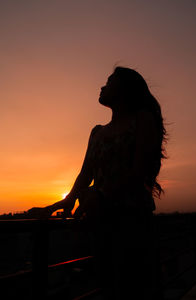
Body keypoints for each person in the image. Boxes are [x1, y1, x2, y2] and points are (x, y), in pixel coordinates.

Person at [28, 66, 167, 299]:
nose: (103, 86)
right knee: (108, 285)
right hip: (101, 222)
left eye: (109, 81)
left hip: (132, 220)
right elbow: (85, 174)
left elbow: (141, 169)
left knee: (136, 286)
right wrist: (62, 203)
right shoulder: (97, 132)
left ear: (125, 89)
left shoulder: (142, 119)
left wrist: (102, 194)